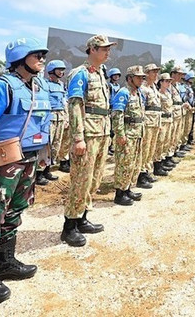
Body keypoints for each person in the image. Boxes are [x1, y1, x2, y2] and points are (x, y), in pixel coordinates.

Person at [0, 38, 51, 305]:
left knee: (14, 213)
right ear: (19, 58)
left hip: (28, 159)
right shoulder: (3, 85)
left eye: (43, 55)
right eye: (36, 54)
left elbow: (41, 122)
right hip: (3, 163)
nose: (42, 59)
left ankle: (5, 263)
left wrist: (45, 154)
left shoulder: (37, 86)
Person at [60, 35, 113, 247]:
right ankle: (69, 226)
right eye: (104, 48)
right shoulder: (80, 73)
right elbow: (75, 106)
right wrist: (78, 138)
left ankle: (82, 218)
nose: (108, 52)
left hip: (101, 132)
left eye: (108, 49)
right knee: (81, 179)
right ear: (92, 49)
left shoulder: (100, 73)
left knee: (94, 178)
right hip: (88, 134)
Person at [111, 66, 146, 206]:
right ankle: (119, 194)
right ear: (130, 78)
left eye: (143, 77)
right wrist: (120, 134)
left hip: (136, 134)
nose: (141, 80)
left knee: (133, 164)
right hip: (127, 134)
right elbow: (117, 114)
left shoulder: (137, 93)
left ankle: (127, 189)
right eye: (139, 77)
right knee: (123, 164)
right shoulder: (123, 92)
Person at [137, 63, 162, 189]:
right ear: (146, 74)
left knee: (151, 149)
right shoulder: (143, 88)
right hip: (147, 123)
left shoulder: (154, 88)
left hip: (154, 122)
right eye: (153, 71)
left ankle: (146, 170)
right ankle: (140, 175)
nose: (156, 74)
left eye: (157, 71)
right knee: (144, 149)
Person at [45, 60, 71, 175]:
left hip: (60, 116)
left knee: (57, 143)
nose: (61, 72)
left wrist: (66, 118)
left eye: (62, 70)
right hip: (49, 116)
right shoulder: (45, 84)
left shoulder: (61, 85)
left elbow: (64, 102)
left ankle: (49, 168)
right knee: (47, 144)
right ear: (52, 71)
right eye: (59, 69)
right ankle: (41, 171)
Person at [155, 72, 174, 176]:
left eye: (170, 81)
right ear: (161, 82)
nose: (169, 83)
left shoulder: (168, 93)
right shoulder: (158, 94)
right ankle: (157, 166)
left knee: (166, 142)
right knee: (160, 143)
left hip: (169, 120)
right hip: (162, 121)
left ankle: (162, 162)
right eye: (167, 81)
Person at [107, 67, 121, 156]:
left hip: (116, 108)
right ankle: (108, 147)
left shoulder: (118, 86)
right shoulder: (109, 86)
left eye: (117, 75)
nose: (116, 77)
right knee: (109, 129)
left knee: (114, 129)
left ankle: (112, 145)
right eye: (114, 75)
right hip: (110, 108)